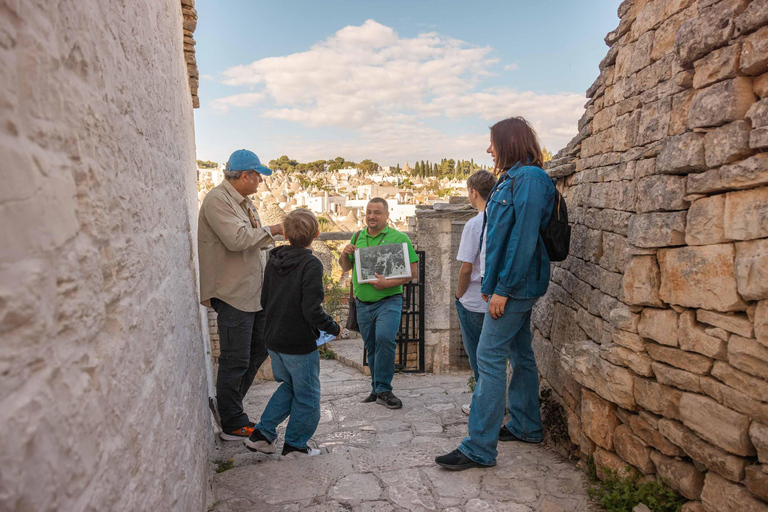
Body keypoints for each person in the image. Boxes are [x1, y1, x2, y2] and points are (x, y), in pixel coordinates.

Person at [436, 116, 555, 470]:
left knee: (488, 359)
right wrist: (491, 286)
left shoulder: (530, 179)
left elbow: (523, 239)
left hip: (516, 286)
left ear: (509, 142)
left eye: (493, 142)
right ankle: (526, 425)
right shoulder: (511, 180)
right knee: (520, 353)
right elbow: (498, 240)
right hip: (507, 285)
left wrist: (503, 289)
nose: (489, 149)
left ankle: (479, 448)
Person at [198, 149, 284, 441]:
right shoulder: (217, 200)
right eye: (258, 175)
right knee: (235, 359)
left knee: (259, 349)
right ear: (245, 175)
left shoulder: (245, 203)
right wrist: (276, 229)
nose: (261, 180)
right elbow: (237, 240)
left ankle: (230, 408)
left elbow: (255, 242)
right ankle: (233, 423)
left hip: (253, 294)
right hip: (232, 293)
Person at [245, 209, 341, 458]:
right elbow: (311, 309)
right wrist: (333, 328)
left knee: (289, 386)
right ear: (316, 235)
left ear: (285, 234)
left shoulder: (273, 260)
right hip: (298, 343)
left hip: (274, 338)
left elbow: (265, 300)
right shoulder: (311, 264)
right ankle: (296, 445)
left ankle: (262, 435)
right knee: (308, 396)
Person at [339, 198, 419, 409]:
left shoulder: (399, 238)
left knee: (385, 339)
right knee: (372, 346)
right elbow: (346, 267)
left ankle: (384, 388)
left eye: (377, 212)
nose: (372, 216)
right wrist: (344, 254)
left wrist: (387, 283)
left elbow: (413, 272)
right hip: (362, 303)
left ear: (387, 215)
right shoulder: (357, 237)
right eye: (369, 212)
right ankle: (376, 389)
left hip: (389, 301)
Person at [454, 170, 497, 415]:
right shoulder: (502, 217)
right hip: (497, 297)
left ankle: (483, 404)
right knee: (494, 357)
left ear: (474, 192)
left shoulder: (474, 224)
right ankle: (495, 402)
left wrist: (458, 296)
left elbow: (466, 268)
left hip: (473, 299)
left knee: (477, 356)